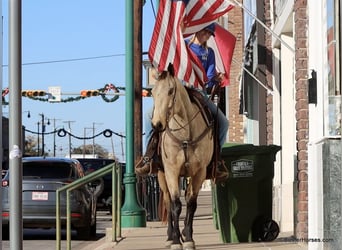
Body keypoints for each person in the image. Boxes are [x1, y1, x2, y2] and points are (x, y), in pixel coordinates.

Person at [136, 23, 229, 182]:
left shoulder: (209, 53)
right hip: (177, 90)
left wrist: (215, 79)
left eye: (209, 34)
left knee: (224, 122)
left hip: (198, 92)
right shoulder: (183, 46)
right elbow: (170, 63)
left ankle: (216, 159)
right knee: (148, 116)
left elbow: (209, 76)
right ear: (198, 30)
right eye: (205, 32)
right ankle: (149, 156)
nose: (206, 36)